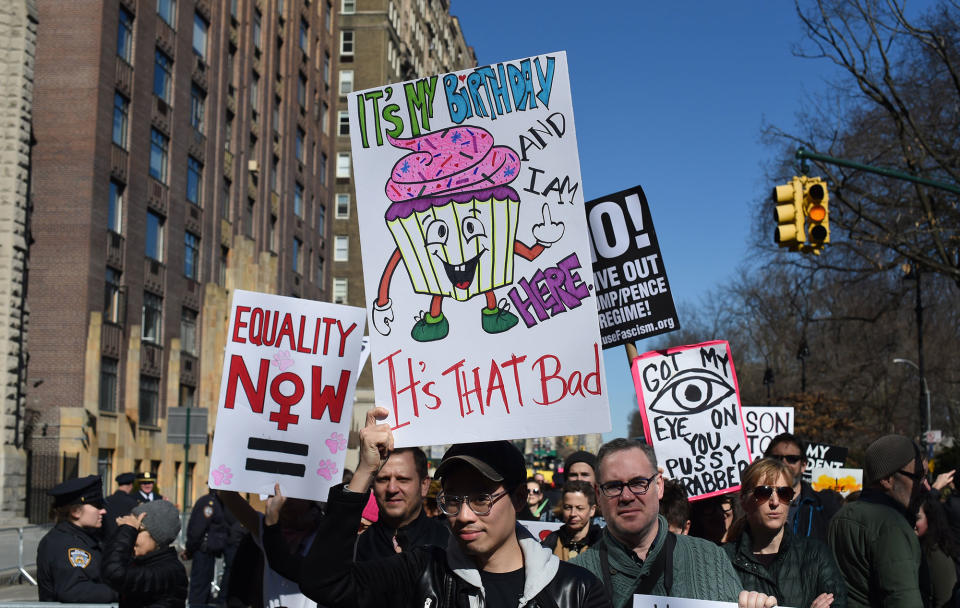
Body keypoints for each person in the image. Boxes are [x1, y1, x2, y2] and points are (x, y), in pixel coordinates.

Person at [278, 406, 609, 608]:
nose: (464, 516)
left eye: (481, 499)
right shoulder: (422, 571)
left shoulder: (577, 592)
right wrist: (364, 472)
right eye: (452, 500)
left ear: (519, 497)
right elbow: (324, 583)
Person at [571, 438, 777, 608]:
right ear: (598, 495)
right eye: (614, 486)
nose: (626, 496)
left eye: (638, 483)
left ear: (659, 486)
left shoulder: (709, 557)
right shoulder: (573, 578)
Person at [724, 458, 846, 608]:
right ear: (744, 501)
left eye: (784, 493)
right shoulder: (723, 559)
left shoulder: (816, 554)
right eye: (764, 492)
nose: (775, 502)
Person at [828, 434, 928, 607]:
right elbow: (903, 599)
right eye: (918, 476)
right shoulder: (890, 525)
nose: (926, 486)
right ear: (887, 479)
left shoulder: (841, 516)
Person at [220, 485, 323, 608]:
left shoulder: (324, 535)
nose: (283, 499)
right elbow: (228, 495)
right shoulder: (268, 530)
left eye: (293, 494)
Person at [355, 446, 449, 560]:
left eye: (402, 479)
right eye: (383, 479)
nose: (392, 488)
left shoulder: (451, 544)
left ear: (424, 485)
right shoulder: (355, 547)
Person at [36, 474, 118, 603]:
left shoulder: (82, 536)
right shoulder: (64, 543)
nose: (103, 511)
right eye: (97, 506)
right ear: (76, 512)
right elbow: (73, 590)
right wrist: (121, 592)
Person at [102, 499, 189, 607]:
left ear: (158, 536)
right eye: (132, 531)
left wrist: (126, 530)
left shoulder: (170, 570)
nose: (131, 537)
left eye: (137, 530)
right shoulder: (141, 562)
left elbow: (114, 573)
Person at [765, 433, 842, 541]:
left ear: (803, 465)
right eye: (776, 458)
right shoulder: (754, 501)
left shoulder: (824, 504)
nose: (783, 463)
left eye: (792, 458)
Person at [185, 488, 230, 607]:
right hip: (202, 551)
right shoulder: (208, 503)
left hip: (209, 552)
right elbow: (197, 530)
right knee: (199, 587)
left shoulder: (217, 502)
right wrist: (190, 549)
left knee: (205, 586)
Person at [541, 480, 603, 560]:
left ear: (592, 510)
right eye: (568, 507)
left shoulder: (603, 543)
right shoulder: (551, 541)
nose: (573, 514)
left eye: (579, 508)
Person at [915, 495, 959, 608]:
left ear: (930, 519)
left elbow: (944, 599)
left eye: (917, 518)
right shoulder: (920, 546)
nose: (912, 523)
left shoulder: (936, 554)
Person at [103, 472, 139, 539]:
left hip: (107, 541)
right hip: (124, 540)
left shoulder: (107, 500)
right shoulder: (132, 502)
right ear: (131, 485)